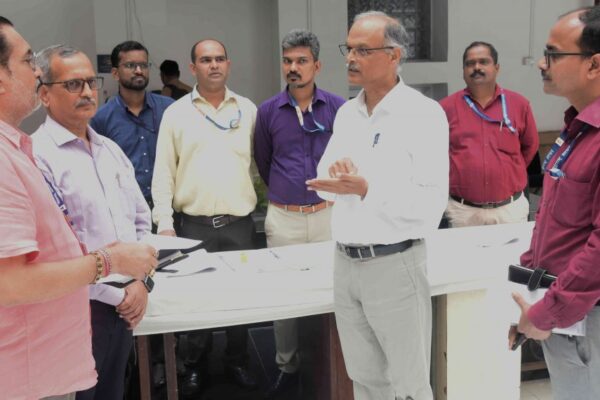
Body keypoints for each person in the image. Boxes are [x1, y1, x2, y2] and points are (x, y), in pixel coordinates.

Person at [0, 17, 157, 400]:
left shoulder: (108, 149)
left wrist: (139, 281)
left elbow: (140, 219)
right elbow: (20, 274)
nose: (87, 92)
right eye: (73, 84)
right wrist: (111, 270)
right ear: (46, 95)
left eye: (90, 82)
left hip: (123, 298)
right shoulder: (36, 155)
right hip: (83, 304)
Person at [307, 11, 448, 400]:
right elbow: (324, 185)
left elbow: (431, 207)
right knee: (365, 378)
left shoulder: (423, 114)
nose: (351, 59)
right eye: (349, 49)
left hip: (394, 263)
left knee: (408, 383)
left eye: (363, 50)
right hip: (345, 263)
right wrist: (337, 179)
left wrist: (368, 189)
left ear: (394, 55)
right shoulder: (346, 113)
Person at [152, 38, 258, 395]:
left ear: (228, 64)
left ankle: (238, 360)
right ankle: (195, 365)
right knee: (196, 301)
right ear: (192, 67)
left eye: (219, 59)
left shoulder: (247, 110)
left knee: (241, 299)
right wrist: (165, 224)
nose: (214, 65)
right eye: (205, 59)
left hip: (239, 225)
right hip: (193, 226)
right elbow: (163, 173)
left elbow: (258, 164)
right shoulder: (176, 113)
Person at [509, 6, 600, 400]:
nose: (541, 64)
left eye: (553, 54)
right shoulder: (578, 129)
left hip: (586, 315)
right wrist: (533, 299)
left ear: (594, 64)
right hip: (562, 309)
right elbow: (554, 221)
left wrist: (548, 311)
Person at [253, 29, 345, 398]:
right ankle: (286, 366)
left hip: (329, 215)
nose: (294, 67)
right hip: (285, 218)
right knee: (284, 295)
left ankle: (334, 360)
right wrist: (287, 190)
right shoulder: (267, 111)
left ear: (317, 66)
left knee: (336, 289)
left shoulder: (338, 108)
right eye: (288, 61)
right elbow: (264, 160)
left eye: (302, 61)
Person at [440, 41, 539, 227]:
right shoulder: (445, 108)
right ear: (463, 71)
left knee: (513, 249)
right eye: (470, 63)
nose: (476, 67)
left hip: (510, 209)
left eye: (483, 62)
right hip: (463, 211)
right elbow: (437, 153)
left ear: (497, 68)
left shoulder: (519, 104)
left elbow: (530, 146)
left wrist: (508, 171)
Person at [91, 41, 174, 210]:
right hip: (127, 210)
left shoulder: (169, 109)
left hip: (169, 207)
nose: (138, 71)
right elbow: (99, 168)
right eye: (130, 65)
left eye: (143, 65)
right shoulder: (102, 118)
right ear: (115, 73)